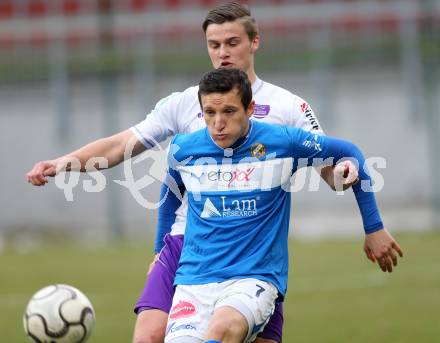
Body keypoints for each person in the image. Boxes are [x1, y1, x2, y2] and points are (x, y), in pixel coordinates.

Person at [25, 3, 399, 343]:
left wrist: (347, 179)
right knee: (149, 336)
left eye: (232, 42)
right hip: (186, 243)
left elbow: (332, 170)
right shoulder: (186, 103)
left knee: (228, 332)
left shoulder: (288, 108)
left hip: (252, 245)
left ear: (254, 43)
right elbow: (122, 146)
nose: (223, 52)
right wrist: (63, 164)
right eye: (214, 44)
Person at [162, 67, 403, 343]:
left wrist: (374, 227)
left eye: (229, 112)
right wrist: (160, 248)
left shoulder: (283, 141)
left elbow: (350, 152)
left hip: (252, 279)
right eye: (210, 113)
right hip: (193, 281)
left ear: (250, 108)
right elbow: (170, 193)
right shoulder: (184, 148)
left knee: (221, 330)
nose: (218, 123)